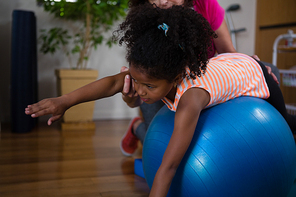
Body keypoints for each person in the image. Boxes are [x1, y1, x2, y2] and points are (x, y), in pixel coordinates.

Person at [26, 5, 295, 196]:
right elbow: (111, 83)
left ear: (176, 77)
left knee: (287, 133)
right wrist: (64, 101)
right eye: (137, 81)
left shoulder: (191, 97)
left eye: (150, 86)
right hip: (223, 70)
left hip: (252, 72)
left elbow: (169, 165)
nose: (140, 91)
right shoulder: (150, 73)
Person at [119, 0, 279, 156]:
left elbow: (228, 53)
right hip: (162, 92)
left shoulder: (205, 5)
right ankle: (137, 128)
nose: (163, 2)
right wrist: (130, 99)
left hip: (197, 86)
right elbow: (140, 92)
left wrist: (253, 66)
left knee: (268, 70)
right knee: (158, 148)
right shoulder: (144, 18)